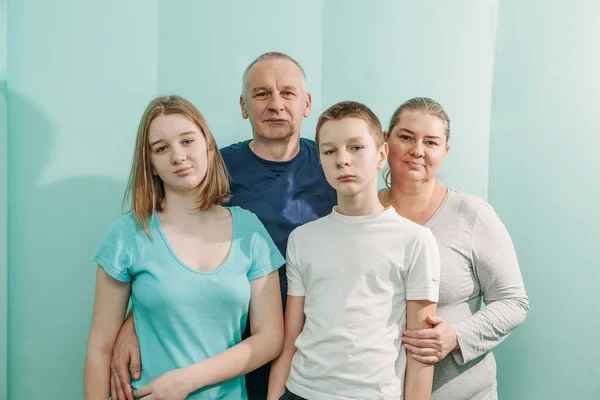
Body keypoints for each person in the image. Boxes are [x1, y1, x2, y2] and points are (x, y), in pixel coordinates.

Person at [109, 53, 337, 400]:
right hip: (228, 345)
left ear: (306, 103)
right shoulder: (210, 169)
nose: (276, 104)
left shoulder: (335, 166)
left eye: (288, 93)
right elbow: (161, 250)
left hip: (314, 342)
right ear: (244, 106)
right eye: (262, 94)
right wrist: (133, 321)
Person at [84, 95, 285, 400]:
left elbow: (270, 338)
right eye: (161, 148)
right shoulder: (128, 234)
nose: (178, 156)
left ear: (208, 145)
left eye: (187, 141)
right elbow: (100, 348)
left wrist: (187, 381)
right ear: (150, 164)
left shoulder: (249, 231)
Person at [268, 101, 441, 400]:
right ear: (320, 160)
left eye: (356, 147)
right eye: (329, 150)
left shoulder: (415, 240)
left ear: (381, 155)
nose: (342, 160)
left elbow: (420, 353)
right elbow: (290, 341)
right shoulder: (303, 239)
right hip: (301, 391)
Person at [379, 97, 529, 400]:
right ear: (385, 142)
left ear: (444, 152)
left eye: (431, 142)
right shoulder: (362, 216)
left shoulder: (471, 214)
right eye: (406, 137)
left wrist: (456, 336)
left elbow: (513, 302)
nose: (417, 150)